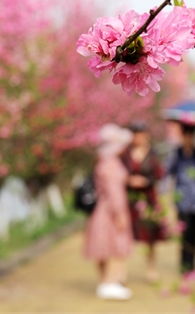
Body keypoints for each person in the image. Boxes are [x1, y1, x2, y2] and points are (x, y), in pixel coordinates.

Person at [83, 123, 134, 300]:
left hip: (101, 210)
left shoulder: (102, 162)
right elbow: (115, 191)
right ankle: (110, 282)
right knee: (116, 247)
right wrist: (120, 213)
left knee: (103, 247)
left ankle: (105, 281)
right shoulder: (111, 164)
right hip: (110, 211)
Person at [120, 120, 167, 283]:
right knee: (126, 233)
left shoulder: (153, 153)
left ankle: (151, 268)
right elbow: (118, 171)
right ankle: (121, 270)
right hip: (129, 198)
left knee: (150, 234)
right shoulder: (124, 153)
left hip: (148, 198)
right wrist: (129, 180)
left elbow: (159, 174)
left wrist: (145, 181)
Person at [166, 121, 195, 275]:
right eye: (187, 136)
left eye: (192, 136)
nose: (189, 139)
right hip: (182, 200)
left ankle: (192, 265)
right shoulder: (176, 154)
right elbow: (167, 173)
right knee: (184, 231)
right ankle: (184, 264)